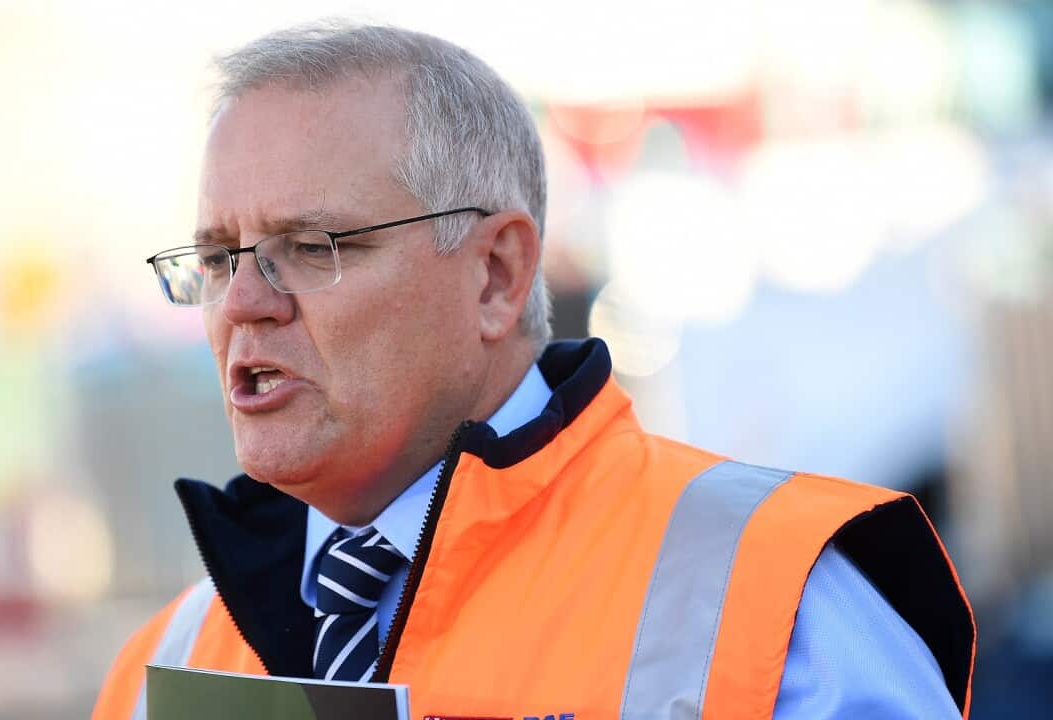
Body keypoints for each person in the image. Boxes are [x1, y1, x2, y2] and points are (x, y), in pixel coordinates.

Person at [94, 21, 975, 719]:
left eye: (311, 245)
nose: (243, 301)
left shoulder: (771, 600)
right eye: (218, 258)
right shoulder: (163, 664)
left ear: (497, 274)